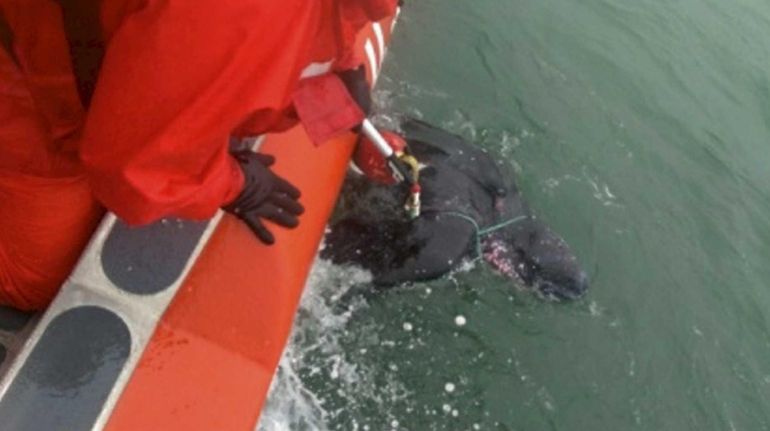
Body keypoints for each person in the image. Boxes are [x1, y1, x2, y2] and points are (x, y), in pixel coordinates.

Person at [0, 0, 399, 311]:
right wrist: (231, 185)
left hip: (94, 50)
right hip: (33, 80)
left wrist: (340, 85)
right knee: (33, 281)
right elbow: (130, 171)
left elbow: (314, 24)